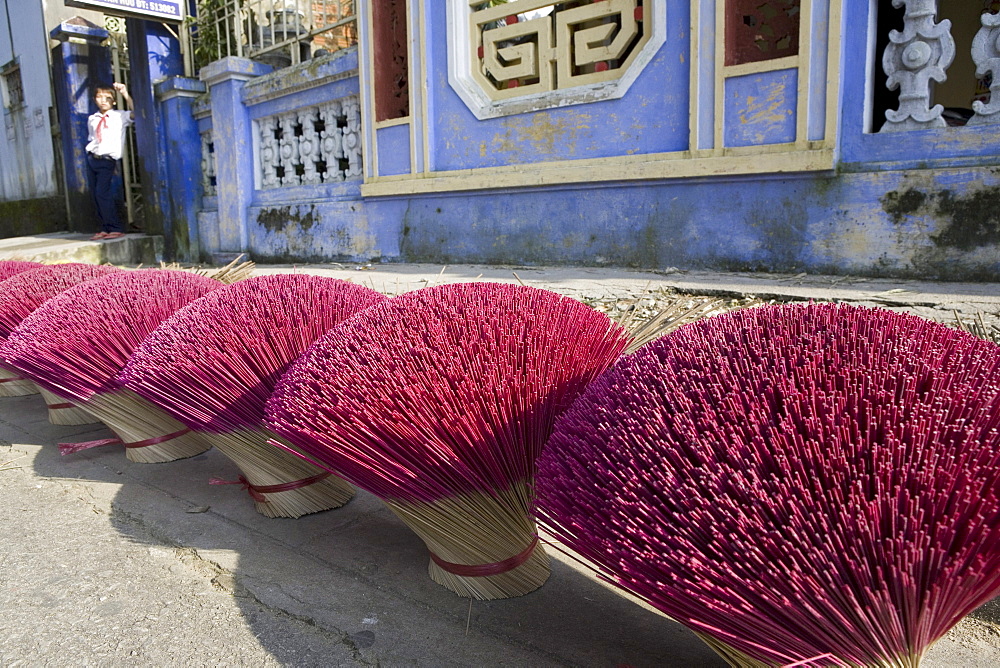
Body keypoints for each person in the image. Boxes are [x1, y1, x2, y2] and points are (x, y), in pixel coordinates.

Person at [85, 82, 134, 240]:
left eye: (107, 98)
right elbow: (92, 138)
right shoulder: (93, 118)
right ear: (94, 100)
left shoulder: (120, 116)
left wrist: (125, 94)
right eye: (99, 97)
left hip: (107, 160)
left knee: (103, 193)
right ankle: (104, 228)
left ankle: (115, 227)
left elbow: (136, 112)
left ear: (113, 101)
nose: (103, 100)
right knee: (95, 195)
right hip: (93, 158)